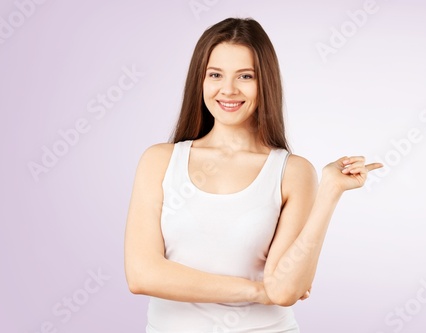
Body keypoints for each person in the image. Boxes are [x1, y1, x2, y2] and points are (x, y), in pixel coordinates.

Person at [124, 17, 382, 332]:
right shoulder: (159, 161)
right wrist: (257, 291)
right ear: (200, 81)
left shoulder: (292, 172)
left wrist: (330, 192)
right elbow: (141, 275)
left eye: (245, 76)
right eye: (215, 74)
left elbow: (285, 290)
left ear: (265, 83)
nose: (228, 90)